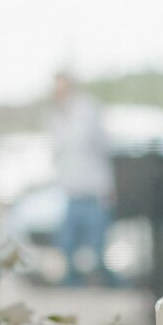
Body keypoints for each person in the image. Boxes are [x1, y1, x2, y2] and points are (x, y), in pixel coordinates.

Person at [50, 72, 114, 285]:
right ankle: (74, 287)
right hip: (71, 193)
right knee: (67, 247)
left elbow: (103, 149)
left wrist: (109, 186)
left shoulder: (87, 112)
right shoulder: (56, 118)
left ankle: (109, 286)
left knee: (98, 249)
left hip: (94, 191)